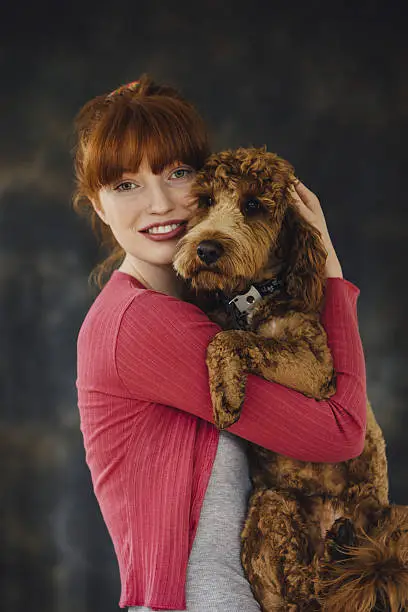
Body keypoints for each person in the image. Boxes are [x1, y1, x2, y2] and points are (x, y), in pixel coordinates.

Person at [74, 75, 367, 612]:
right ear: (98, 205)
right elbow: (342, 431)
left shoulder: (213, 310)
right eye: (125, 185)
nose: (160, 204)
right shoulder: (141, 324)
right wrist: (331, 270)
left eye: (178, 173)